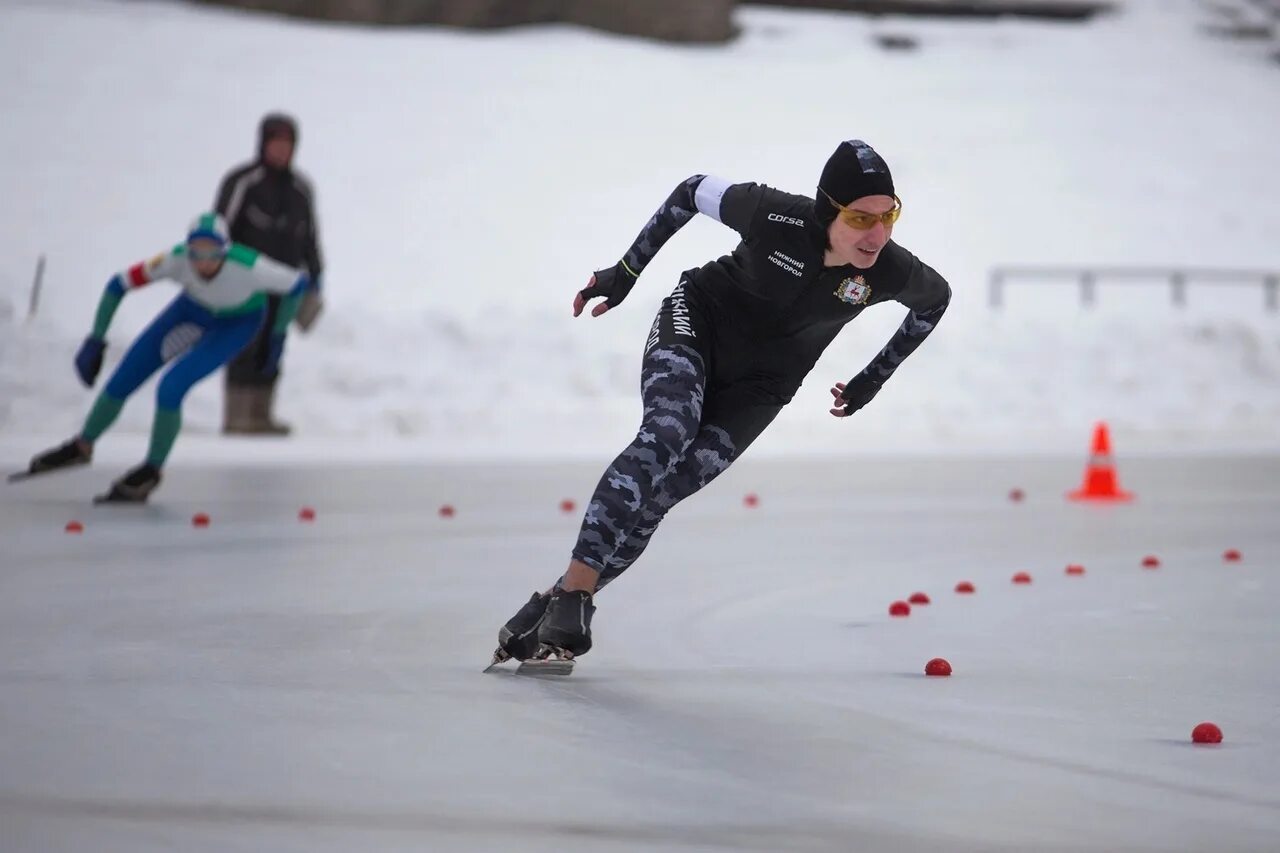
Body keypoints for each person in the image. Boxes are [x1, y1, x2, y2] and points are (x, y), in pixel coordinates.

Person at [493, 139, 951, 664]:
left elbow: (935, 301)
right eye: (858, 216)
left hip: (762, 387)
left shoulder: (891, 269)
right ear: (828, 209)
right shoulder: (772, 213)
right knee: (667, 433)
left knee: (665, 493)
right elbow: (691, 191)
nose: (877, 233)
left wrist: (871, 379)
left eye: (889, 215)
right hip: (697, 328)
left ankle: (548, 609)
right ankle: (576, 594)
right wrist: (627, 271)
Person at [18, 213, 311, 502]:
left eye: (213, 254)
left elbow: (297, 285)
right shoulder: (175, 259)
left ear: (226, 251)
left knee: (171, 387)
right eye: (196, 253)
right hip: (191, 312)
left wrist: (277, 335)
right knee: (127, 374)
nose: (204, 263)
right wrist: (96, 338)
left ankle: (151, 469)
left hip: (237, 323)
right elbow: (117, 284)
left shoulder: (251, 267)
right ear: (188, 250)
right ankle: (82, 446)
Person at [215, 112, 324, 435]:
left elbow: (310, 237)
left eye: (287, 144)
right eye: (276, 143)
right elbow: (219, 231)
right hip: (246, 283)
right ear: (263, 144)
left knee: (273, 346)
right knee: (244, 343)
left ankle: (261, 415)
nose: (281, 151)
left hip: (286, 283)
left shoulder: (301, 189)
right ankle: (238, 416)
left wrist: (316, 277)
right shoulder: (243, 182)